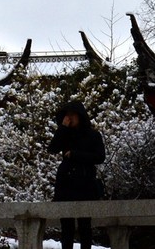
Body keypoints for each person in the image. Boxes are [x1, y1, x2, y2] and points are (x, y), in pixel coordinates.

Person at [48, 100, 105, 249]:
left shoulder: (93, 135)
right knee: (66, 228)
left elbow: (100, 157)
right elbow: (52, 148)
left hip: (85, 184)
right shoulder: (65, 134)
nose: (70, 118)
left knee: (85, 227)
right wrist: (62, 128)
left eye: (72, 115)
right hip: (66, 185)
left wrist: (75, 155)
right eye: (67, 115)